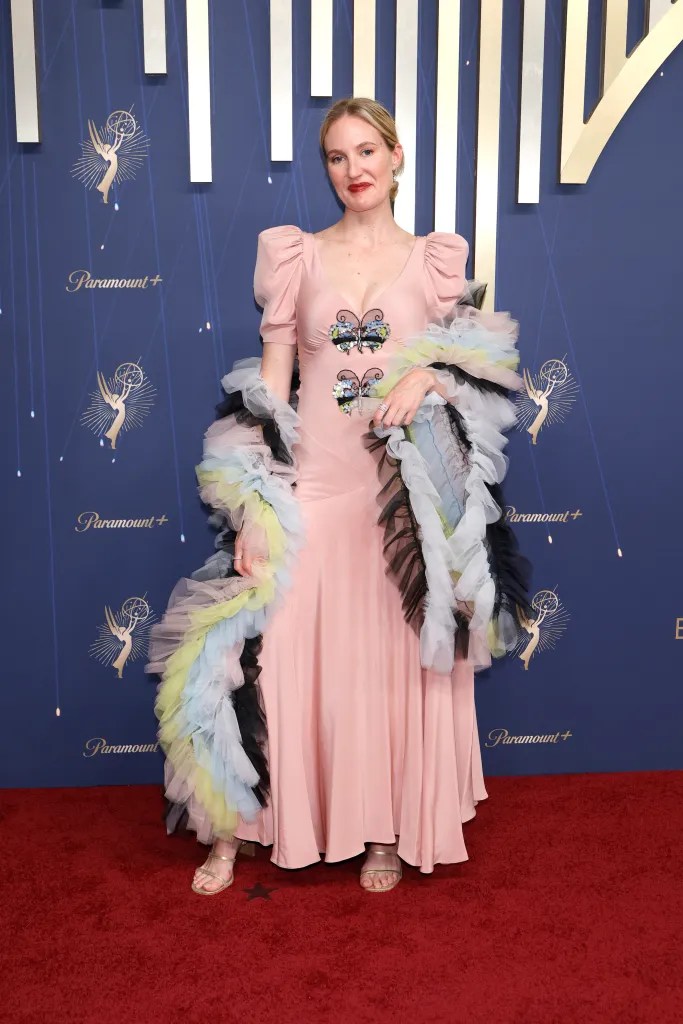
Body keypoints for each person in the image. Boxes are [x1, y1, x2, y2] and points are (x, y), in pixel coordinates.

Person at [146, 97, 529, 895]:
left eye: (366, 151)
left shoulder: (432, 260)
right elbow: (270, 389)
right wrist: (254, 506)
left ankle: (383, 828)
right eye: (336, 156)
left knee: (390, 665)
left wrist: (428, 374)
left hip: (399, 500)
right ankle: (248, 825)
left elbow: (477, 366)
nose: (353, 169)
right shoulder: (297, 259)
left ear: (395, 156)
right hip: (313, 490)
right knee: (271, 659)